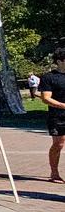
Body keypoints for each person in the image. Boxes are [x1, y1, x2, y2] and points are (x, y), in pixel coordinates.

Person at [37, 47, 65, 183]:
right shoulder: (49, 77)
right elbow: (46, 98)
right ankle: (54, 172)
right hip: (57, 116)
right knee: (59, 144)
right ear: (60, 61)